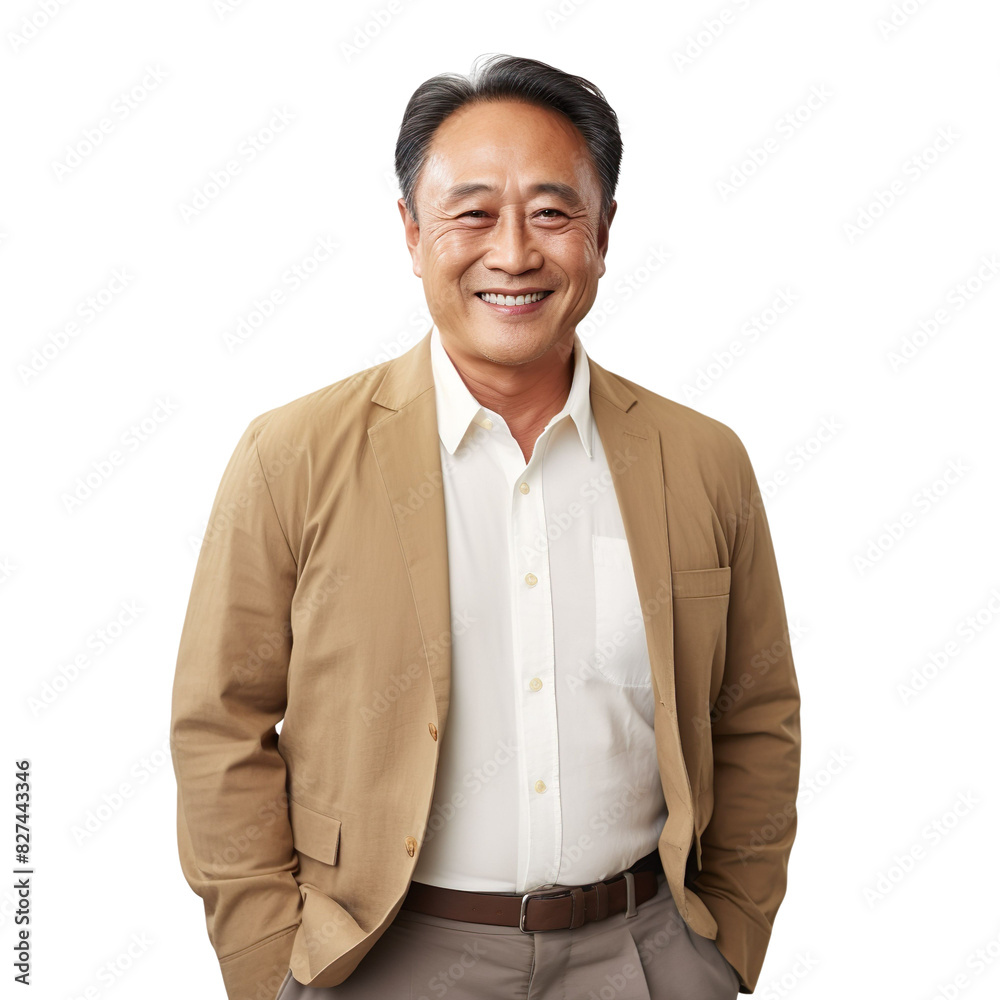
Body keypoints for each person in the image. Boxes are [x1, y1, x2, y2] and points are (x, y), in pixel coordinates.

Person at [169, 53, 801, 1000]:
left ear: (603, 234)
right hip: (380, 959)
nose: (513, 253)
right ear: (412, 232)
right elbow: (220, 721)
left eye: (551, 213)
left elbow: (756, 713)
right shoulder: (292, 456)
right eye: (472, 213)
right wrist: (270, 965)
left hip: (643, 956)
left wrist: (727, 940)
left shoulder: (703, 461)